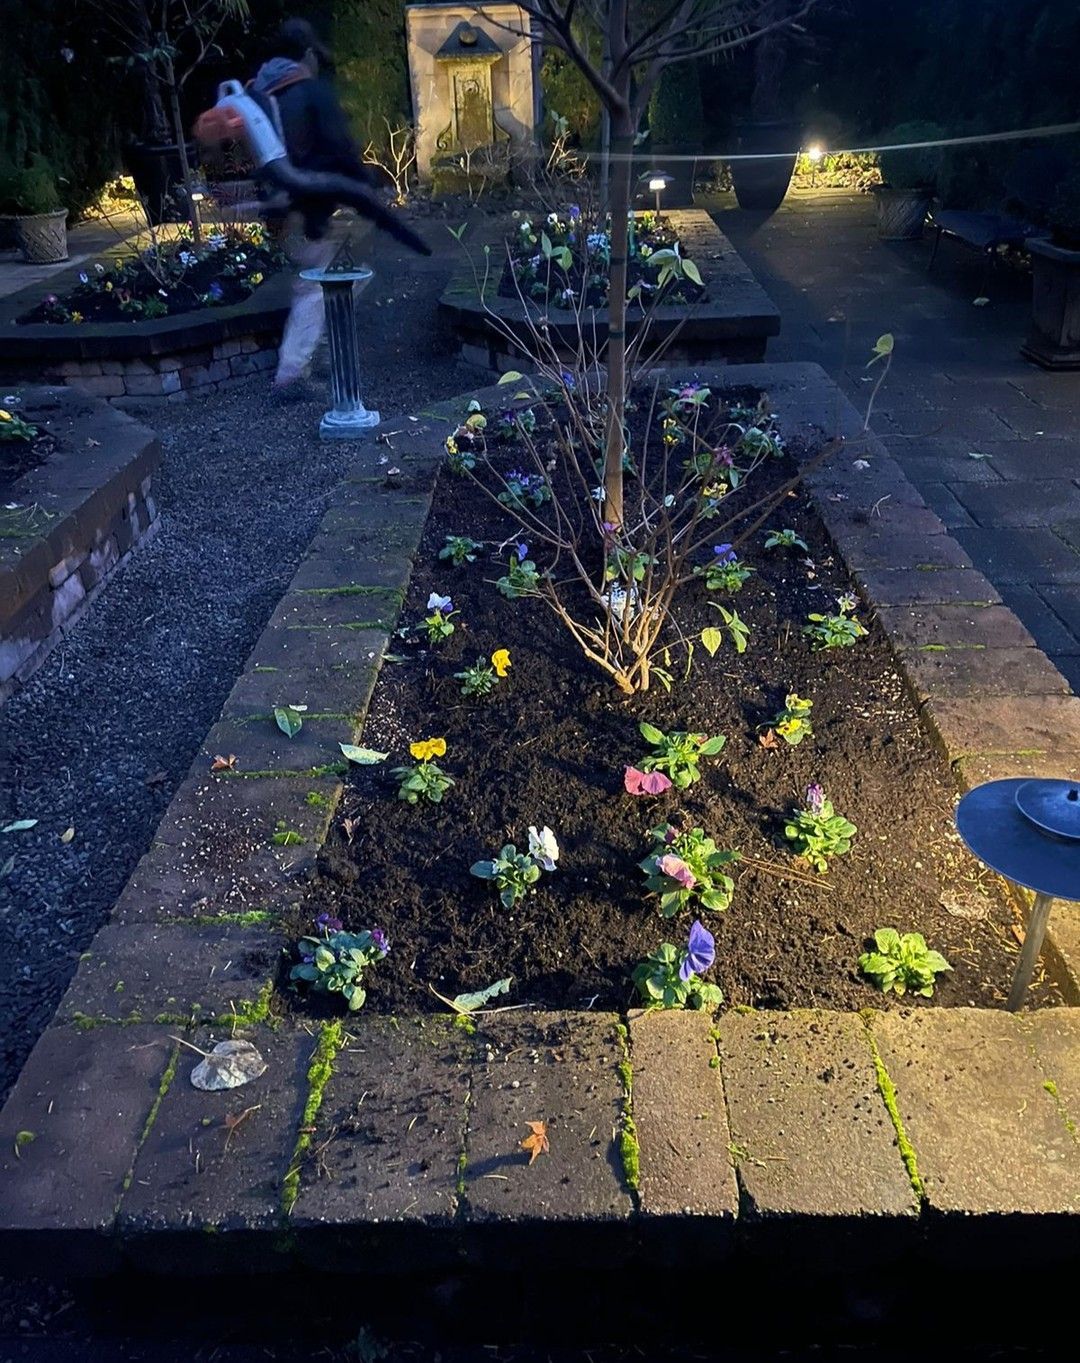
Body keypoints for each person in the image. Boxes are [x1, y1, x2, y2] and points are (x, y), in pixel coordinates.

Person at [248, 19, 386, 390]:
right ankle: (292, 372)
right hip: (303, 208)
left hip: (275, 209)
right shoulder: (308, 93)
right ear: (308, 54)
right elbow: (337, 147)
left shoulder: (262, 92)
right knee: (321, 284)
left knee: (329, 277)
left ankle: (322, 347)